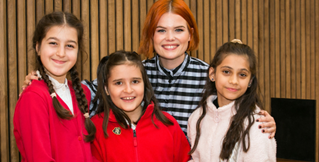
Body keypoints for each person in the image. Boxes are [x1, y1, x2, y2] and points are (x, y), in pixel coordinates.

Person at [22, 0, 277, 138]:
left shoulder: (208, 74)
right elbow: (88, 91)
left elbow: (238, 106)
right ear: (150, 35)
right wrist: (46, 83)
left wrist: (263, 121)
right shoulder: (135, 74)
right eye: (161, 30)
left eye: (178, 30)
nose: (170, 38)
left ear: (190, 34)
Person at [13, 11, 148, 162]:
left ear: (78, 51)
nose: (61, 53)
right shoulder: (34, 98)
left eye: (70, 45)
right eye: (53, 43)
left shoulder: (81, 93)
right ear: (38, 46)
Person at [176, 40, 276, 162]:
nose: (233, 81)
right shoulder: (197, 117)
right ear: (212, 73)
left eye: (242, 74)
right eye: (226, 72)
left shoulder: (258, 124)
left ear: (251, 80)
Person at [91, 50, 190, 162]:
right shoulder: (95, 128)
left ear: (144, 83)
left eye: (135, 81)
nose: (128, 90)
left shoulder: (168, 124)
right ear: (106, 89)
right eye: (118, 83)